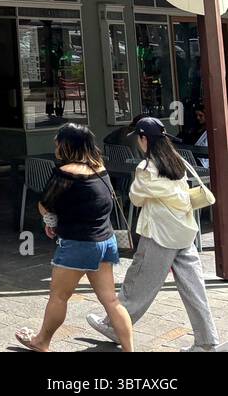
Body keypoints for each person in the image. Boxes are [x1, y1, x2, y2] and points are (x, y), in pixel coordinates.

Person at [87, 117, 222, 352]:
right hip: (184, 232)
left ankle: (114, 326)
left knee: (137, 283)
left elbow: (136, 198)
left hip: (159, 234)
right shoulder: (177, 161)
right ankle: (207, 341)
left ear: (143, 138)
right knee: (194, 288)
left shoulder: (146, 168)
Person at [15, 123, 134, 352]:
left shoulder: (66, 173)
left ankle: (41, 342)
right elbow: (102, 202)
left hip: (78, 243)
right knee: (111, 300)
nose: (56, 145)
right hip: (106, 241)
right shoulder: (100, 168)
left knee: (59, 296)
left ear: (66, 144)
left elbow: (45, 204)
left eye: (58, 141)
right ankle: (129, 349)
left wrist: (49, 221)